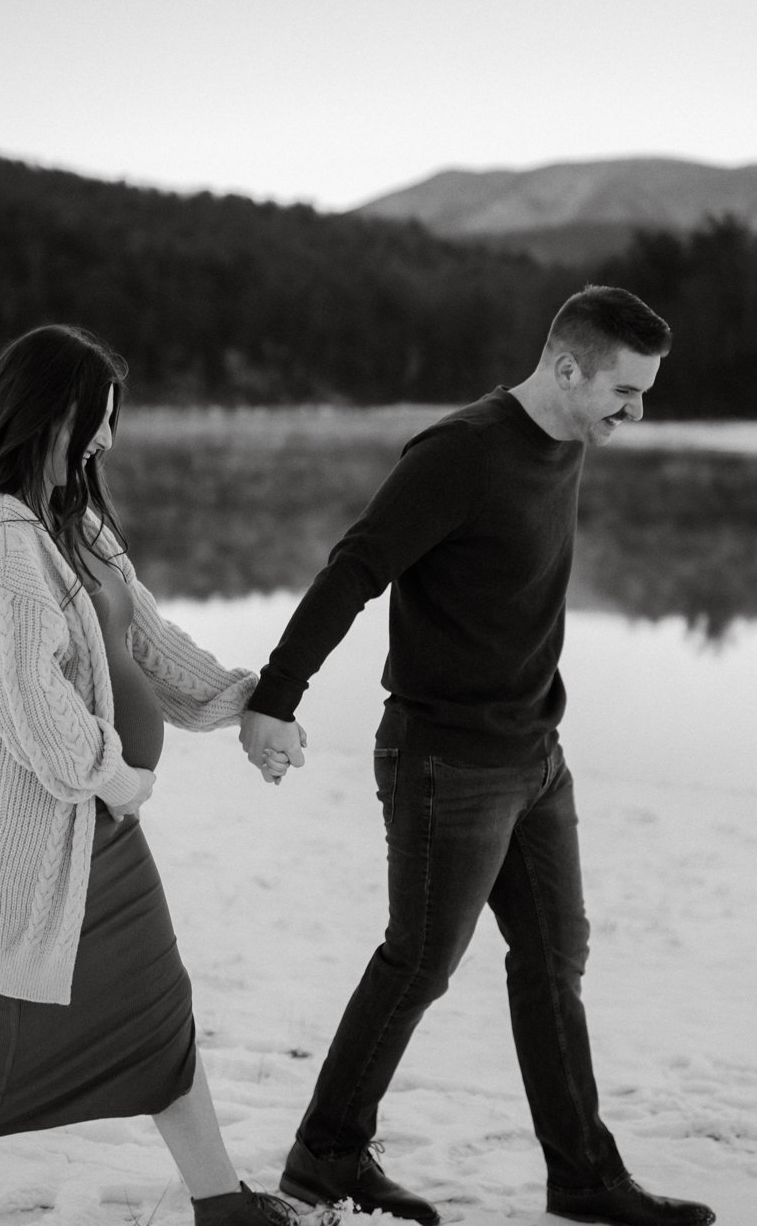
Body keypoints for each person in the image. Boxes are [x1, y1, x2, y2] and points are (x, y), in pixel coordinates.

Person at [238, 286, 717, 1226]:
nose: (637, 413)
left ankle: (581, 1174)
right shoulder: (460, 452)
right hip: (447, 762)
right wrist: (274, 699)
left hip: (535, 752)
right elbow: (355, 568)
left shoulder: (568, 440)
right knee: (418, 962)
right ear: (567, 367)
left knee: (553, 959)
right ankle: (323, 1159)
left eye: (647, 392)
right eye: (626, 390)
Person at [0, 325, 296, 1226]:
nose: (108, 438)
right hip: (43, 839)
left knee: (160, 1011)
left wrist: (251, 698)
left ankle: (221, 1204)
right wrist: (122, 781)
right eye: (98, 415)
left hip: (101, 832)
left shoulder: (71, 524)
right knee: (2, 1037)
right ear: (49, 412)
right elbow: (35, 716)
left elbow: (149, 646)